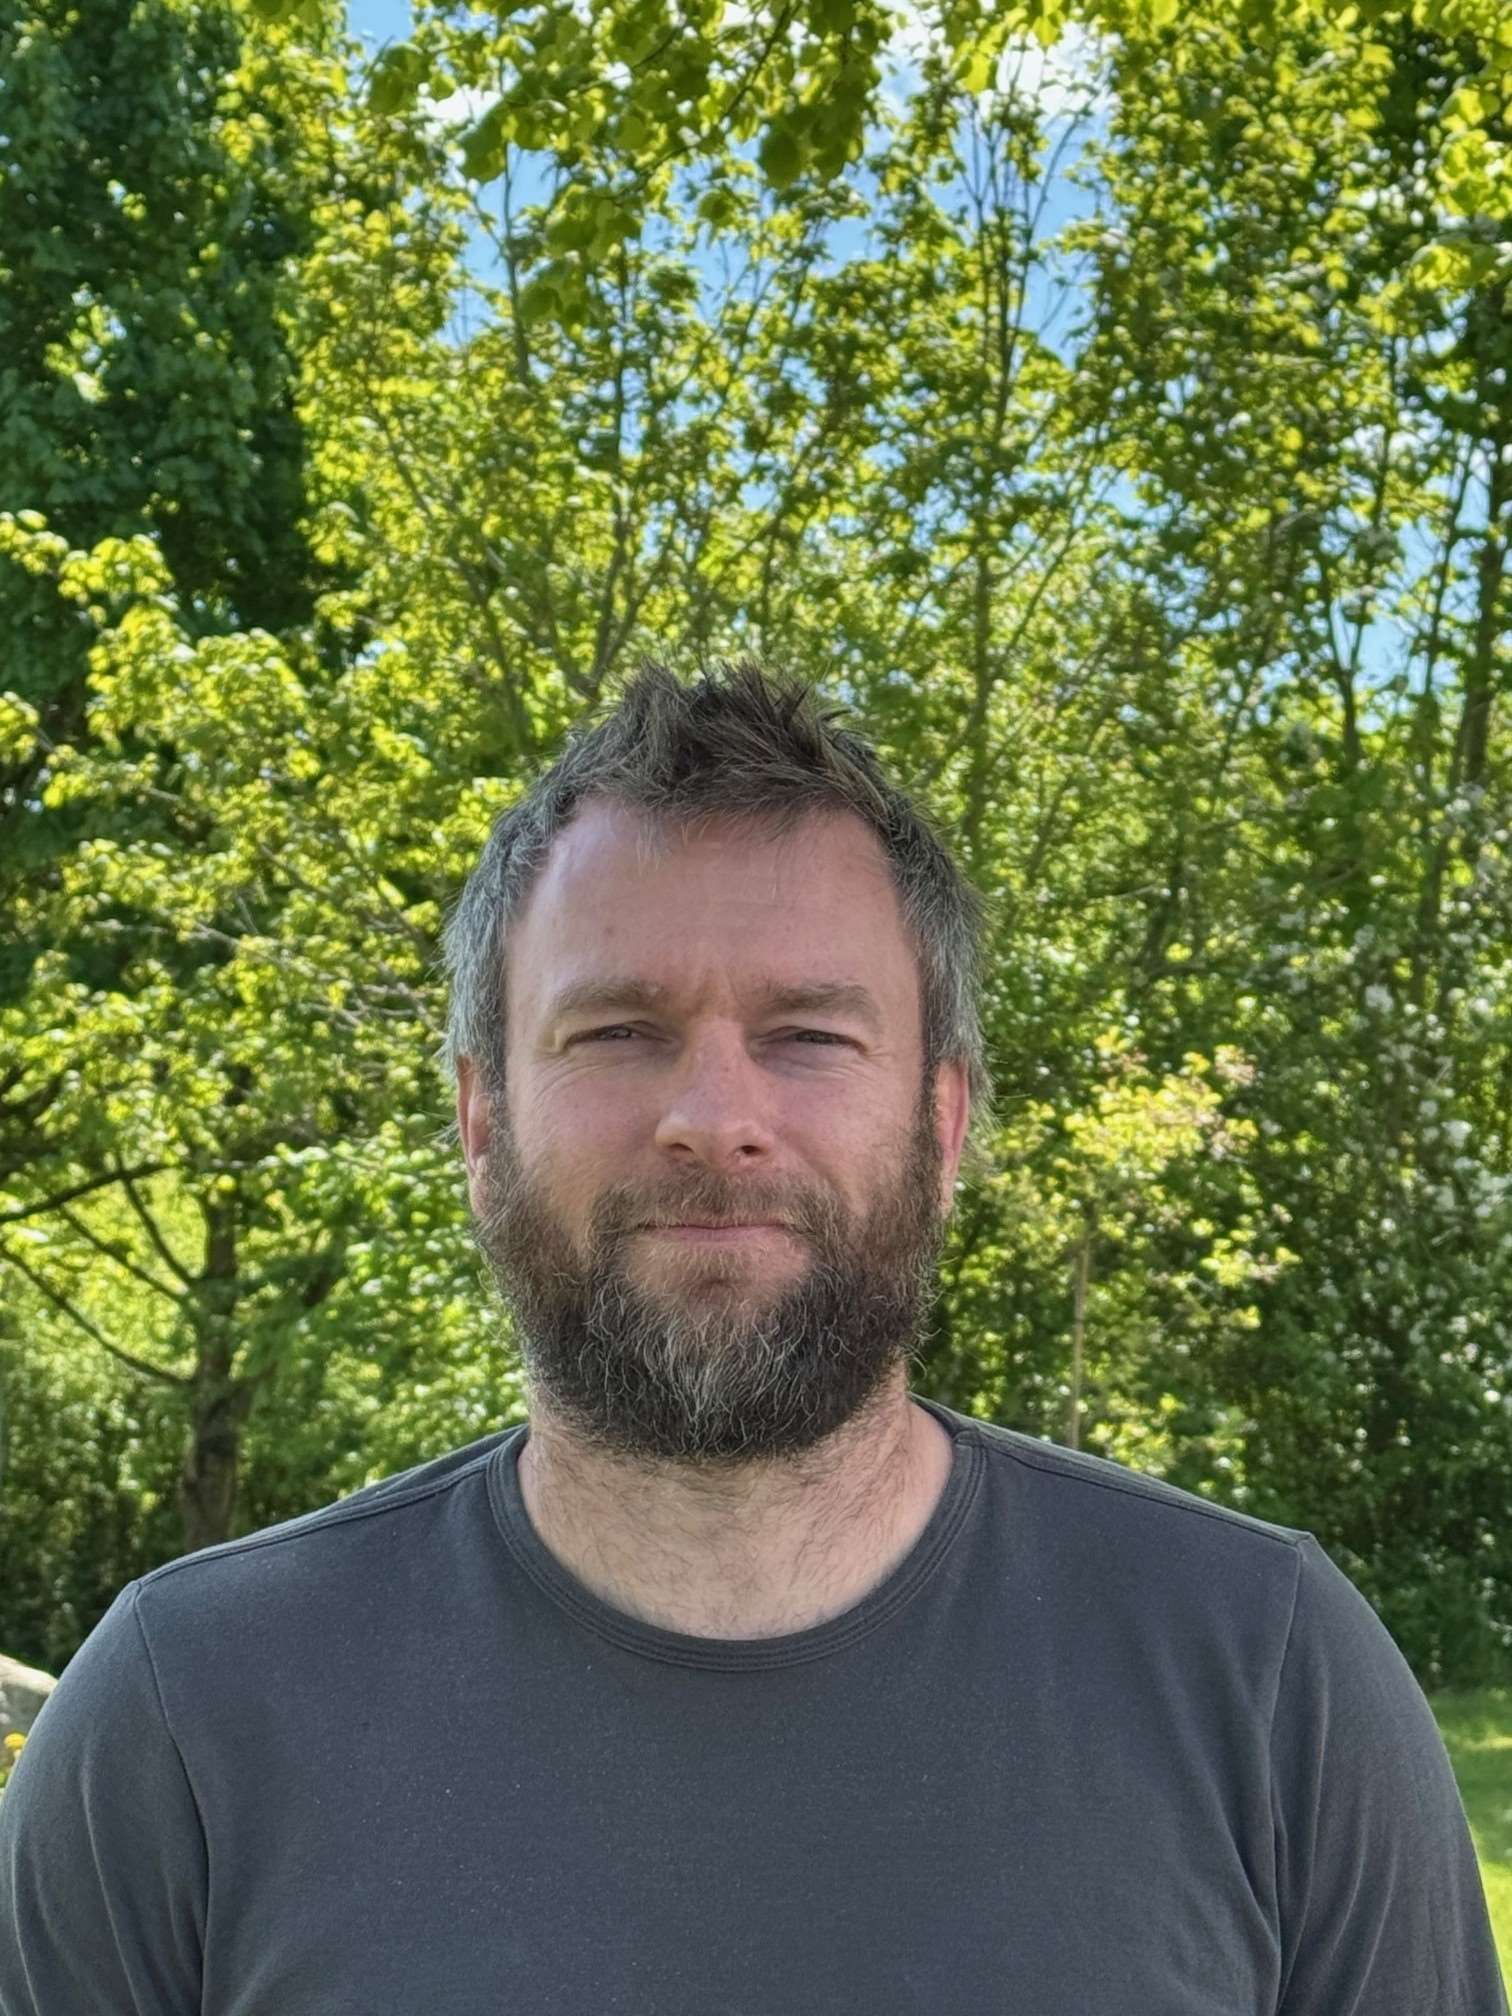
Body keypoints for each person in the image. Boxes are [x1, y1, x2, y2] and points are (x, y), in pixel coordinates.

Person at [1, 660, 1505, 2015]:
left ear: (942, 1124)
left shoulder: (1268, 1682)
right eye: (617, 1032)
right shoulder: (186, 1723)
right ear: (481, 1122)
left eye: (809, 1036)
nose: (716, 1119)